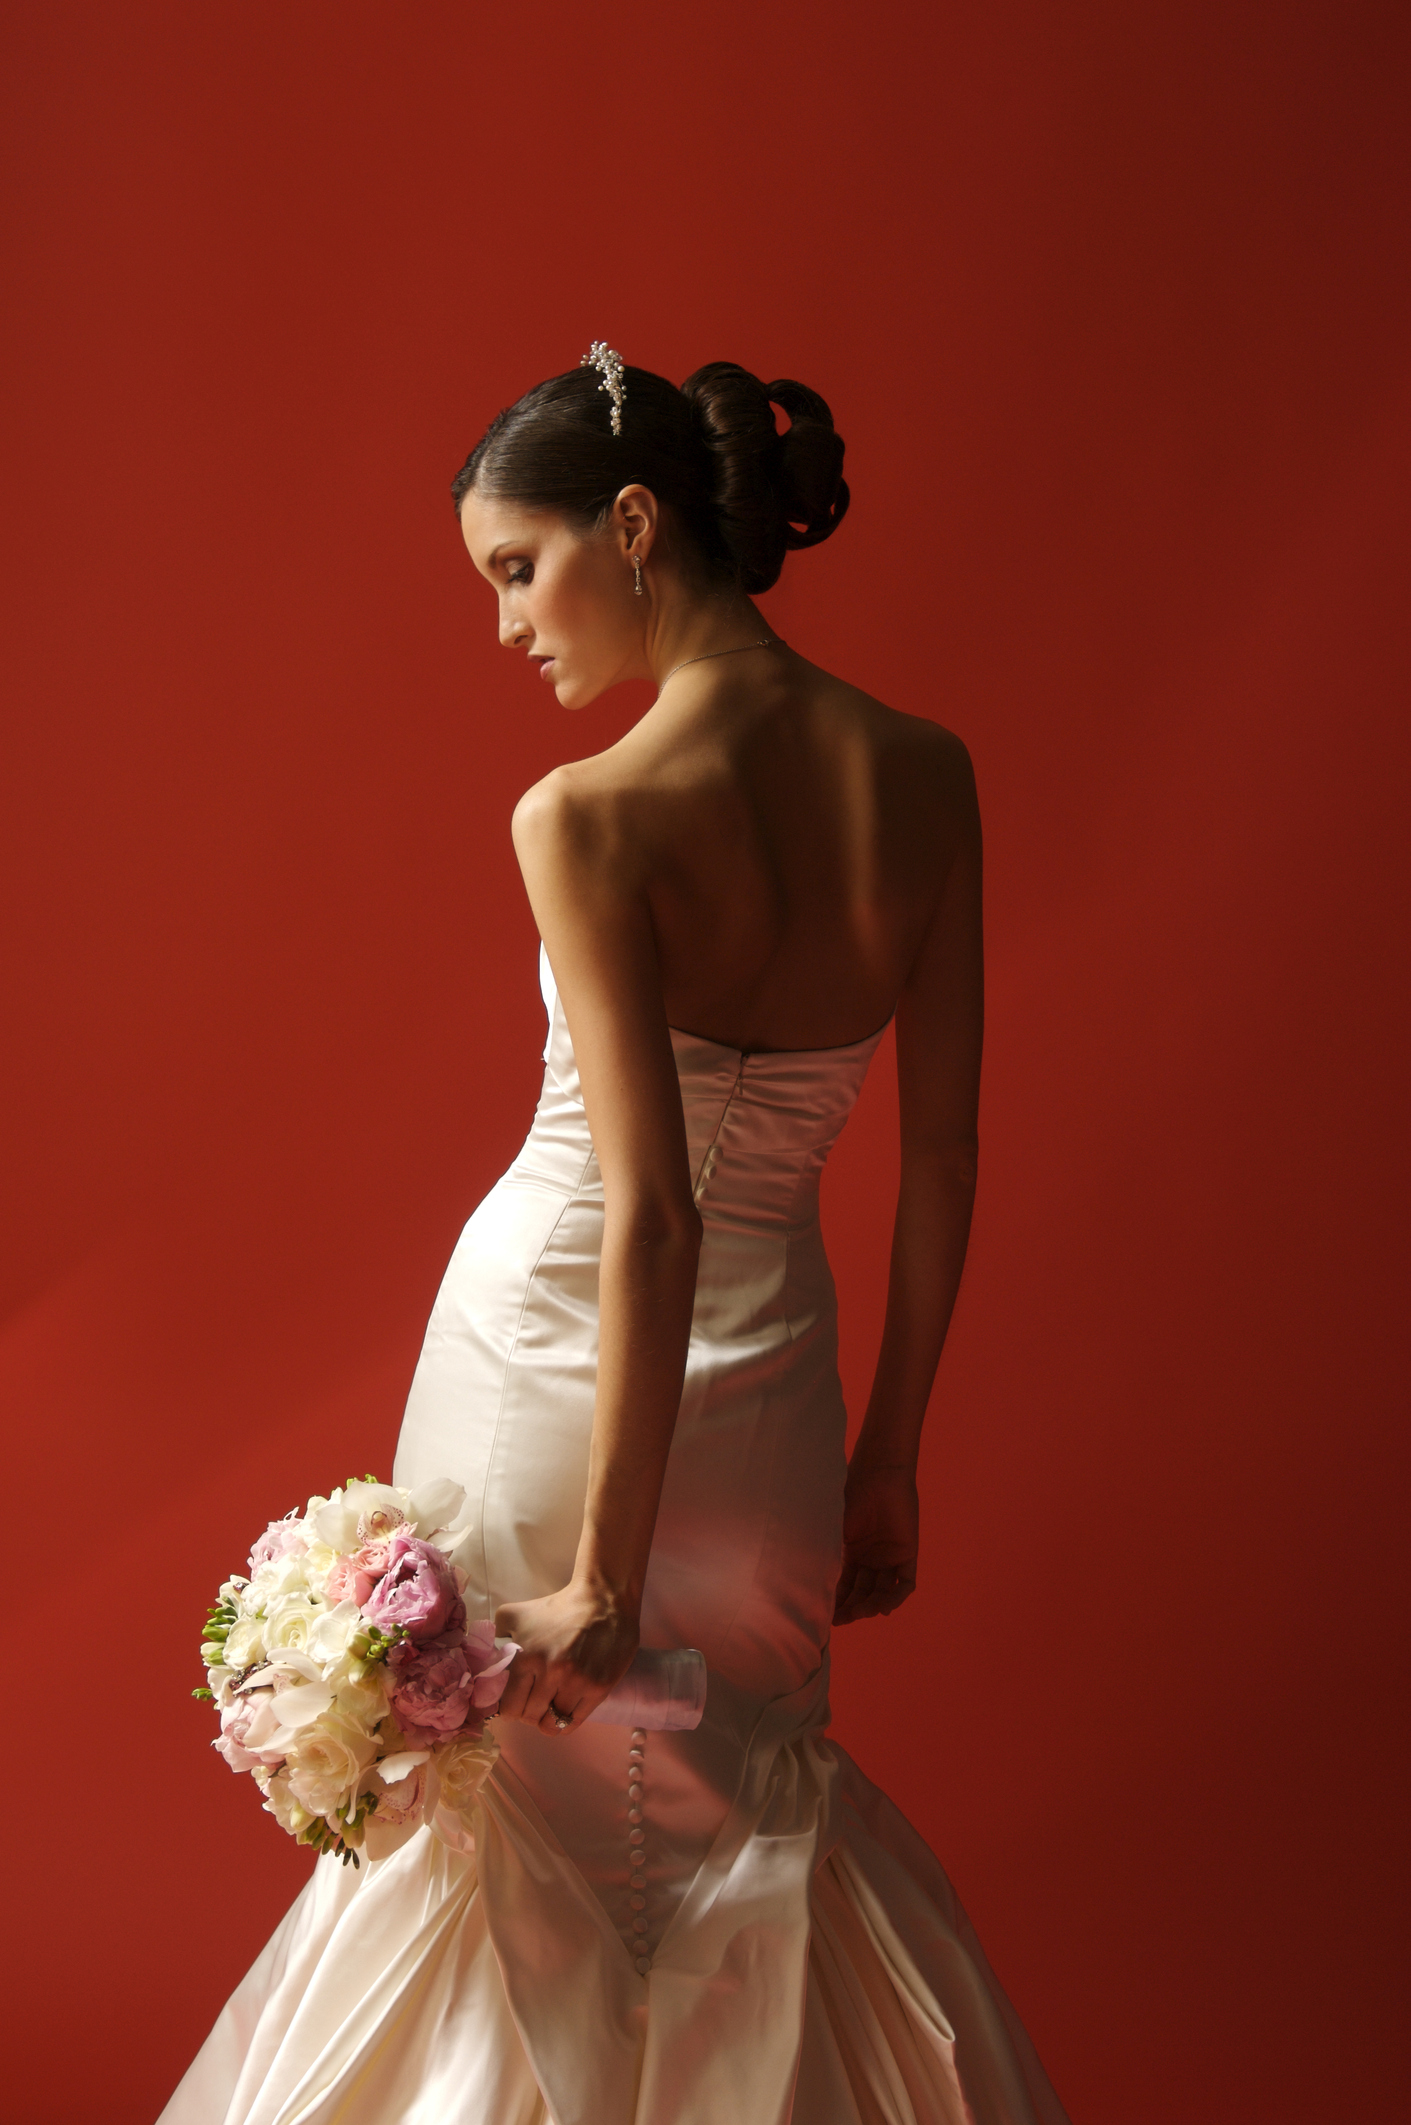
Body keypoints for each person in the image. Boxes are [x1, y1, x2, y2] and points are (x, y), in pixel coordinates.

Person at [161, 348, 1069, 2125]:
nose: (509, 629)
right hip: (784, 1402)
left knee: (507, 1849)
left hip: (559, 1386)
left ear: (633, 525)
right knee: (741, 1816)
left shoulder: (584, 814)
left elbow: (649, 1209)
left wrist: (599, 1566)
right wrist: (890, 1453)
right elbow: (947, 1153)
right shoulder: (928, 773)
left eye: (519, 567)